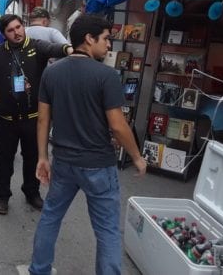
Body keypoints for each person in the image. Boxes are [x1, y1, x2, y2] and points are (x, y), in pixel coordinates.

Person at [28, 14, 146, 275]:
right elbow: (117, 125)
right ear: (89, 39)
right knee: (107, 230)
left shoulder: (51, 72)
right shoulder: (106, 76)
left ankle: (39, 270)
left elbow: (42, 120)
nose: (109, 45)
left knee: (50, 217)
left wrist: (42, 157)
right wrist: (137, 156)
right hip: (98, 165)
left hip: (64, 162)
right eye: (105, 39)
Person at [0, 14, 72, 216]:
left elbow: (55, 49)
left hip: (33, 119)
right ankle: (2, 195)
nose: (16, 32)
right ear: (4, 34)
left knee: (33, 157)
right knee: (4, 160)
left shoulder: (37, 46)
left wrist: (69, 49)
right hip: (5, 120)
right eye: (10, 30)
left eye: (19, 27)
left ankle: (32, 192)